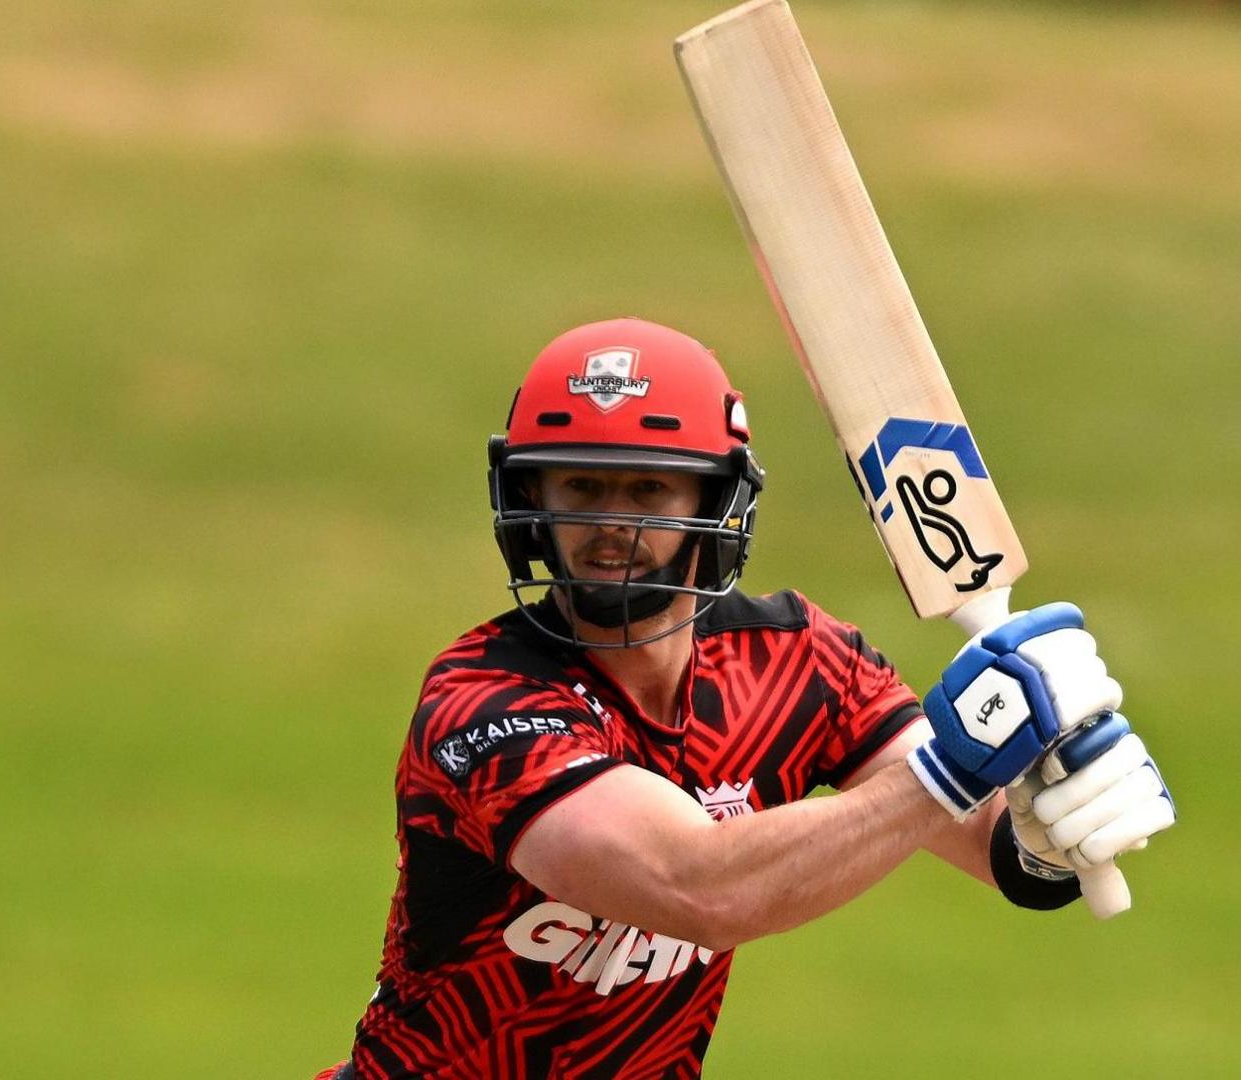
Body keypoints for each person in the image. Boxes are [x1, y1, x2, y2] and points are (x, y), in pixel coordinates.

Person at [318, 319, 1175, 1079]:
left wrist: (1050, 830)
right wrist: (949, 769)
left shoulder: (794, 661)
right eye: (580, 486)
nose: (611, 521)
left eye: (649, 489)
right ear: (532, 502)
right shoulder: (484, 701)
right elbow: (694, 887)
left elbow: (982, 837)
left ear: (716, 502)